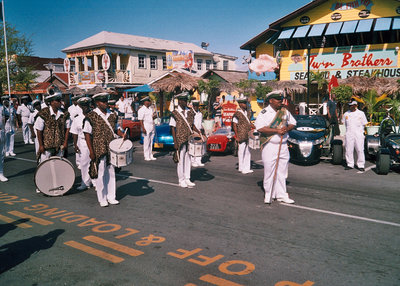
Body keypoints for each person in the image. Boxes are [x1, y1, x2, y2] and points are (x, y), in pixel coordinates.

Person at [83, 92, 126, 207]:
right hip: (99, 148)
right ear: (97, 103)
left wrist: (122, 135)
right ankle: (102, 198)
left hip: (111, 147)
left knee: (111, 172)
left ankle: (111, 196)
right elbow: (87, 134)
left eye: (106, 101)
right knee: (101, 173)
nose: (106, 103)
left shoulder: (112, 115)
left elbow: (116, 129)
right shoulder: (91, 116)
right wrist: (91, 151)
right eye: (103, 101)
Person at [255, 90, 296, 204]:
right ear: (271, 101)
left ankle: (281, 195)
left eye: (281, 99)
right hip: (270, 146)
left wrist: (286, 129)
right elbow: (260, 128)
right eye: (278, 100)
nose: (280, 102)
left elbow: (293, 123)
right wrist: (276, 130)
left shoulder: (284, 111)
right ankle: (269, 194)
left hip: (283, 145)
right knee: (270, 171)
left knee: (282, 171)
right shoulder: (264, 112)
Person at [170, 92, 201, 188]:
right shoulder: (175, 113)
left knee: (189, 158)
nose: (185, 102)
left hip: (189, 138)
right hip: (180, 139)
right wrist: (175, 142)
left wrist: (199, 132)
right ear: (179, 101)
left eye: (186, 100)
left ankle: (187, 178)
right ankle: (181, 179)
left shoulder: (190, 112)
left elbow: (192, 125)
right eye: (183, 101)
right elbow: (172, 128)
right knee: (181, 159)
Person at [34, 90, 71, 163]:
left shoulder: (65, 114)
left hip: (60, 146)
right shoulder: (43, 114)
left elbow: (67, 128)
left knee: (59, 166)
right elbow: (39, 131)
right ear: (51, 102)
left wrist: (65, 142)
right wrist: (41, 145)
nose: (60, 102)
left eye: (60, 100)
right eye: (57, 101)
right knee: (44, 166)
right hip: (46, 146)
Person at [70, 97, 94, 191]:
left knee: (95, 162)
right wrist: (75, 144)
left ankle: (95, 182)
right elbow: (75, 132)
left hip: (94, 141)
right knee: (84, 163)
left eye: (87, 105)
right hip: (83, 142)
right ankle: (85, 183)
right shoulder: (77, 118)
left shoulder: (94, 116)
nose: (85, 107)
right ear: (80, 106)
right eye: (83, 106)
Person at [342, 101, 368, 172]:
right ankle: (350, 164)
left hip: (358, 133)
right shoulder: (346, 114)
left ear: (356, 105)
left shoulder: (361, 113)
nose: (352, 106)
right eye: (351, 105)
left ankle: (361, 165)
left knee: (360, 149)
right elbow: (344, 123)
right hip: (349, 133)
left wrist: (363, 133)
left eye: (354, 105)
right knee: (348, 149)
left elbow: (364, 124)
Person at [232, 96, 255, 174]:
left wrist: (255, 127)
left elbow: (249, 123)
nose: (246, 104)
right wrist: (237, 136)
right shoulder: (237, 113)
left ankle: (247, 167)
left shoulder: (247, 113)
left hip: (248, 134)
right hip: (241, 134)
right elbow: (234, 125)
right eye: (244, 103)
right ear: (240, 104)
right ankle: (241, 167)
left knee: (248, 151)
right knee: (241, 151)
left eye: (246, 103)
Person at [138, 96, 156, 161]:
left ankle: (150, 154)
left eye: (149, 101)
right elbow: (141, 120)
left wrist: (155, 117)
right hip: (146, 126)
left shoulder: (150, 109)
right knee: (146, 142)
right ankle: (146, 156)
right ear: (144, 102)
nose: (149, 102)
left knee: (151, 141)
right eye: (147, 101)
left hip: (152, 126)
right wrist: (143, 128)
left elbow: (152, 118)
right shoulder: (141, 110)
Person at [190, 100, 205, 167]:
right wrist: (197, 131)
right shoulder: (190, 113)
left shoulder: (200, 114)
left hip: (199, 132)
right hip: (193, 131)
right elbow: (192, 124)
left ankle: (198, 160)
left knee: (199, 147)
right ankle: (193, 161)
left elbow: (200, 123)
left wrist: (202, 130)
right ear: (193, 106)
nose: (196, 107)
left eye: (197, 106)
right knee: (193, 147)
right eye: (195, 106)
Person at [0, 98, 8, 182]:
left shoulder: (2, 107)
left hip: (1, 131)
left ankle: (1, 173)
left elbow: (7, 115)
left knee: (1, 153)